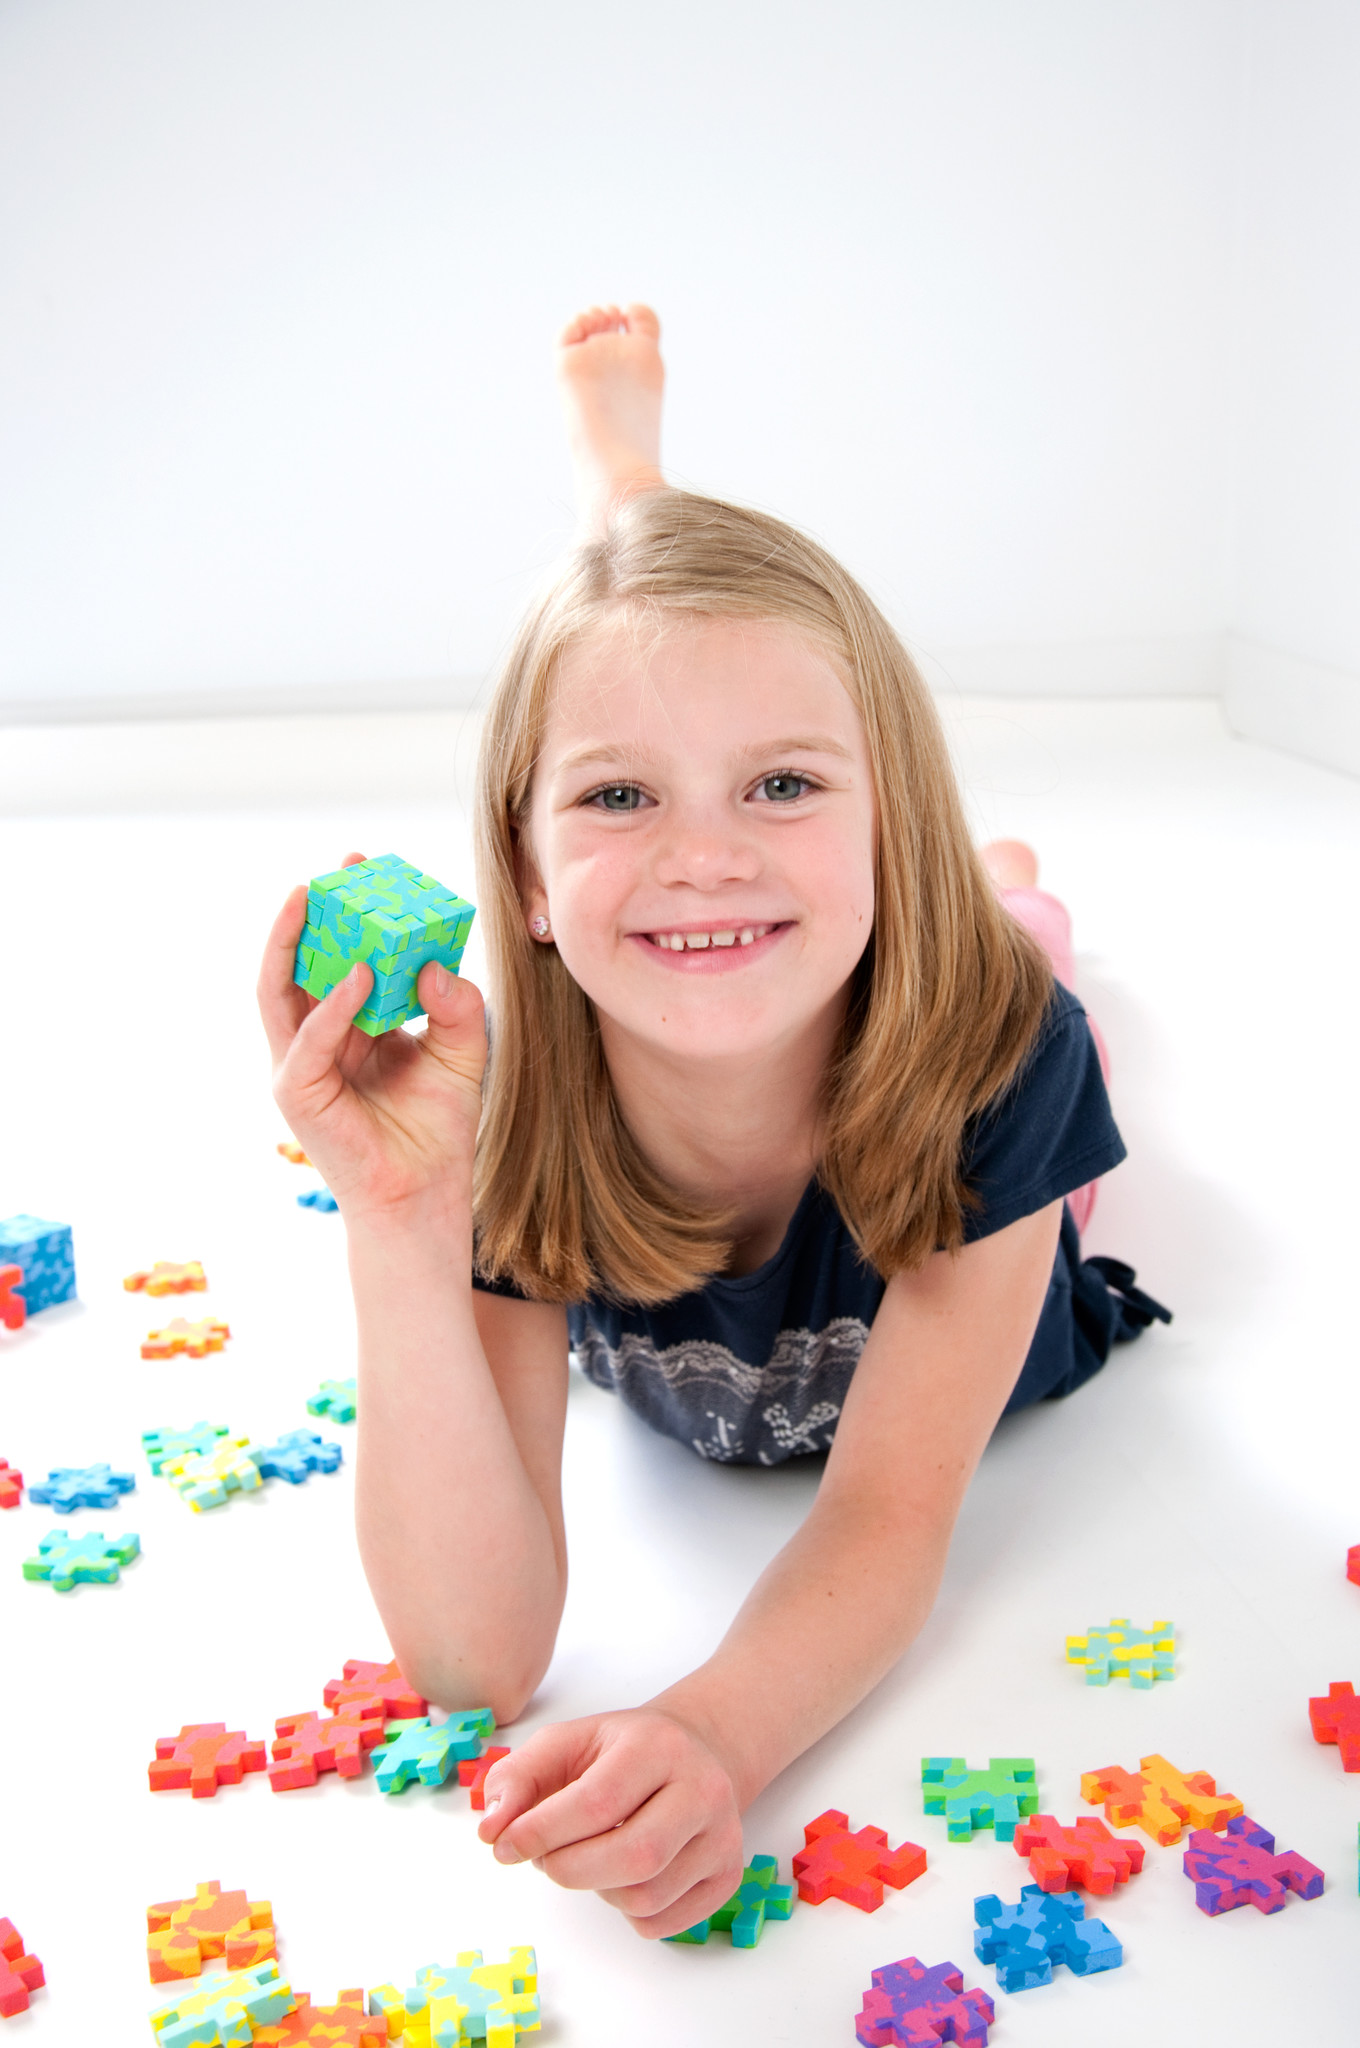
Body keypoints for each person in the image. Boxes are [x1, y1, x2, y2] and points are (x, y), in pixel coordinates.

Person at [258, 302, 1168, 1941]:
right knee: (669, 665)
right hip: (825, 938)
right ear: (527, 879)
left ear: (888, 821)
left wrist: (716, 1728)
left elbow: (886, 1519)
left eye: (785, 786)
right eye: (616, 797)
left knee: (1020, 939)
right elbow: (473, 1661)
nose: (700, 856)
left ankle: (988, 879)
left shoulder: (1003, 1069)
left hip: (964, 1086)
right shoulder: (508, 1114)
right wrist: (399, 1227)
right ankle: (632, 500)